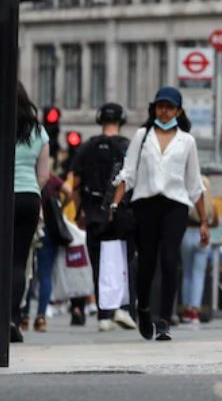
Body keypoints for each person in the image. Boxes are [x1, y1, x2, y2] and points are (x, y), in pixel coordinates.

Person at [110, 87, 210, 341]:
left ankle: (164, 318)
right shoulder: (142, 135)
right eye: (160, 106)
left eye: (170, 107)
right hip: (145, 203)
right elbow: (127, 173)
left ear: (178, 111)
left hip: (175, 206)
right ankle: (143, 309)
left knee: (169, 260)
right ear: (154, 108)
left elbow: (194, 184)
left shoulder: (187, 141)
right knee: (146, 262)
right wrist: (114, 205)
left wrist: (204, 223)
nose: (164, 111)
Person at [69, 102, 138, 331]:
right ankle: (124, 308)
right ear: (122, 120)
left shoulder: (87, 147)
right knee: (124, 261)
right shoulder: (128, 147)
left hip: (93, 213)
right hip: (121, 213)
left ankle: (103, 315)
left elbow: (76, 185)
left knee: (98, 264)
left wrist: (80, 211)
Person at [9, 82, 51, 344]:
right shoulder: (39, 131)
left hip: (5, 197)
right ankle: (13, 318)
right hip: (29, 198)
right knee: (19, 262)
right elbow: (44, 175)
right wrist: (32, 188)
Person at [21, 171, 72, 333]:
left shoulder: (25, 176)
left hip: (30, 227)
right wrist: (60, 208)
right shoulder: (49, 178)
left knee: (27, 273)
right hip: (49, 230)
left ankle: (24, 316)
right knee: (45, 275)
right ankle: (41, 317)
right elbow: (69, 191)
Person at [179, 175, 218, 323]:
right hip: (204, 234)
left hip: (187, 233)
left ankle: (187, 309)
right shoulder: (210, 203)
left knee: (187, 273)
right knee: (199, 274)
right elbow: (215, 221)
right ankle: (195, 309)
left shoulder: (187, 199)